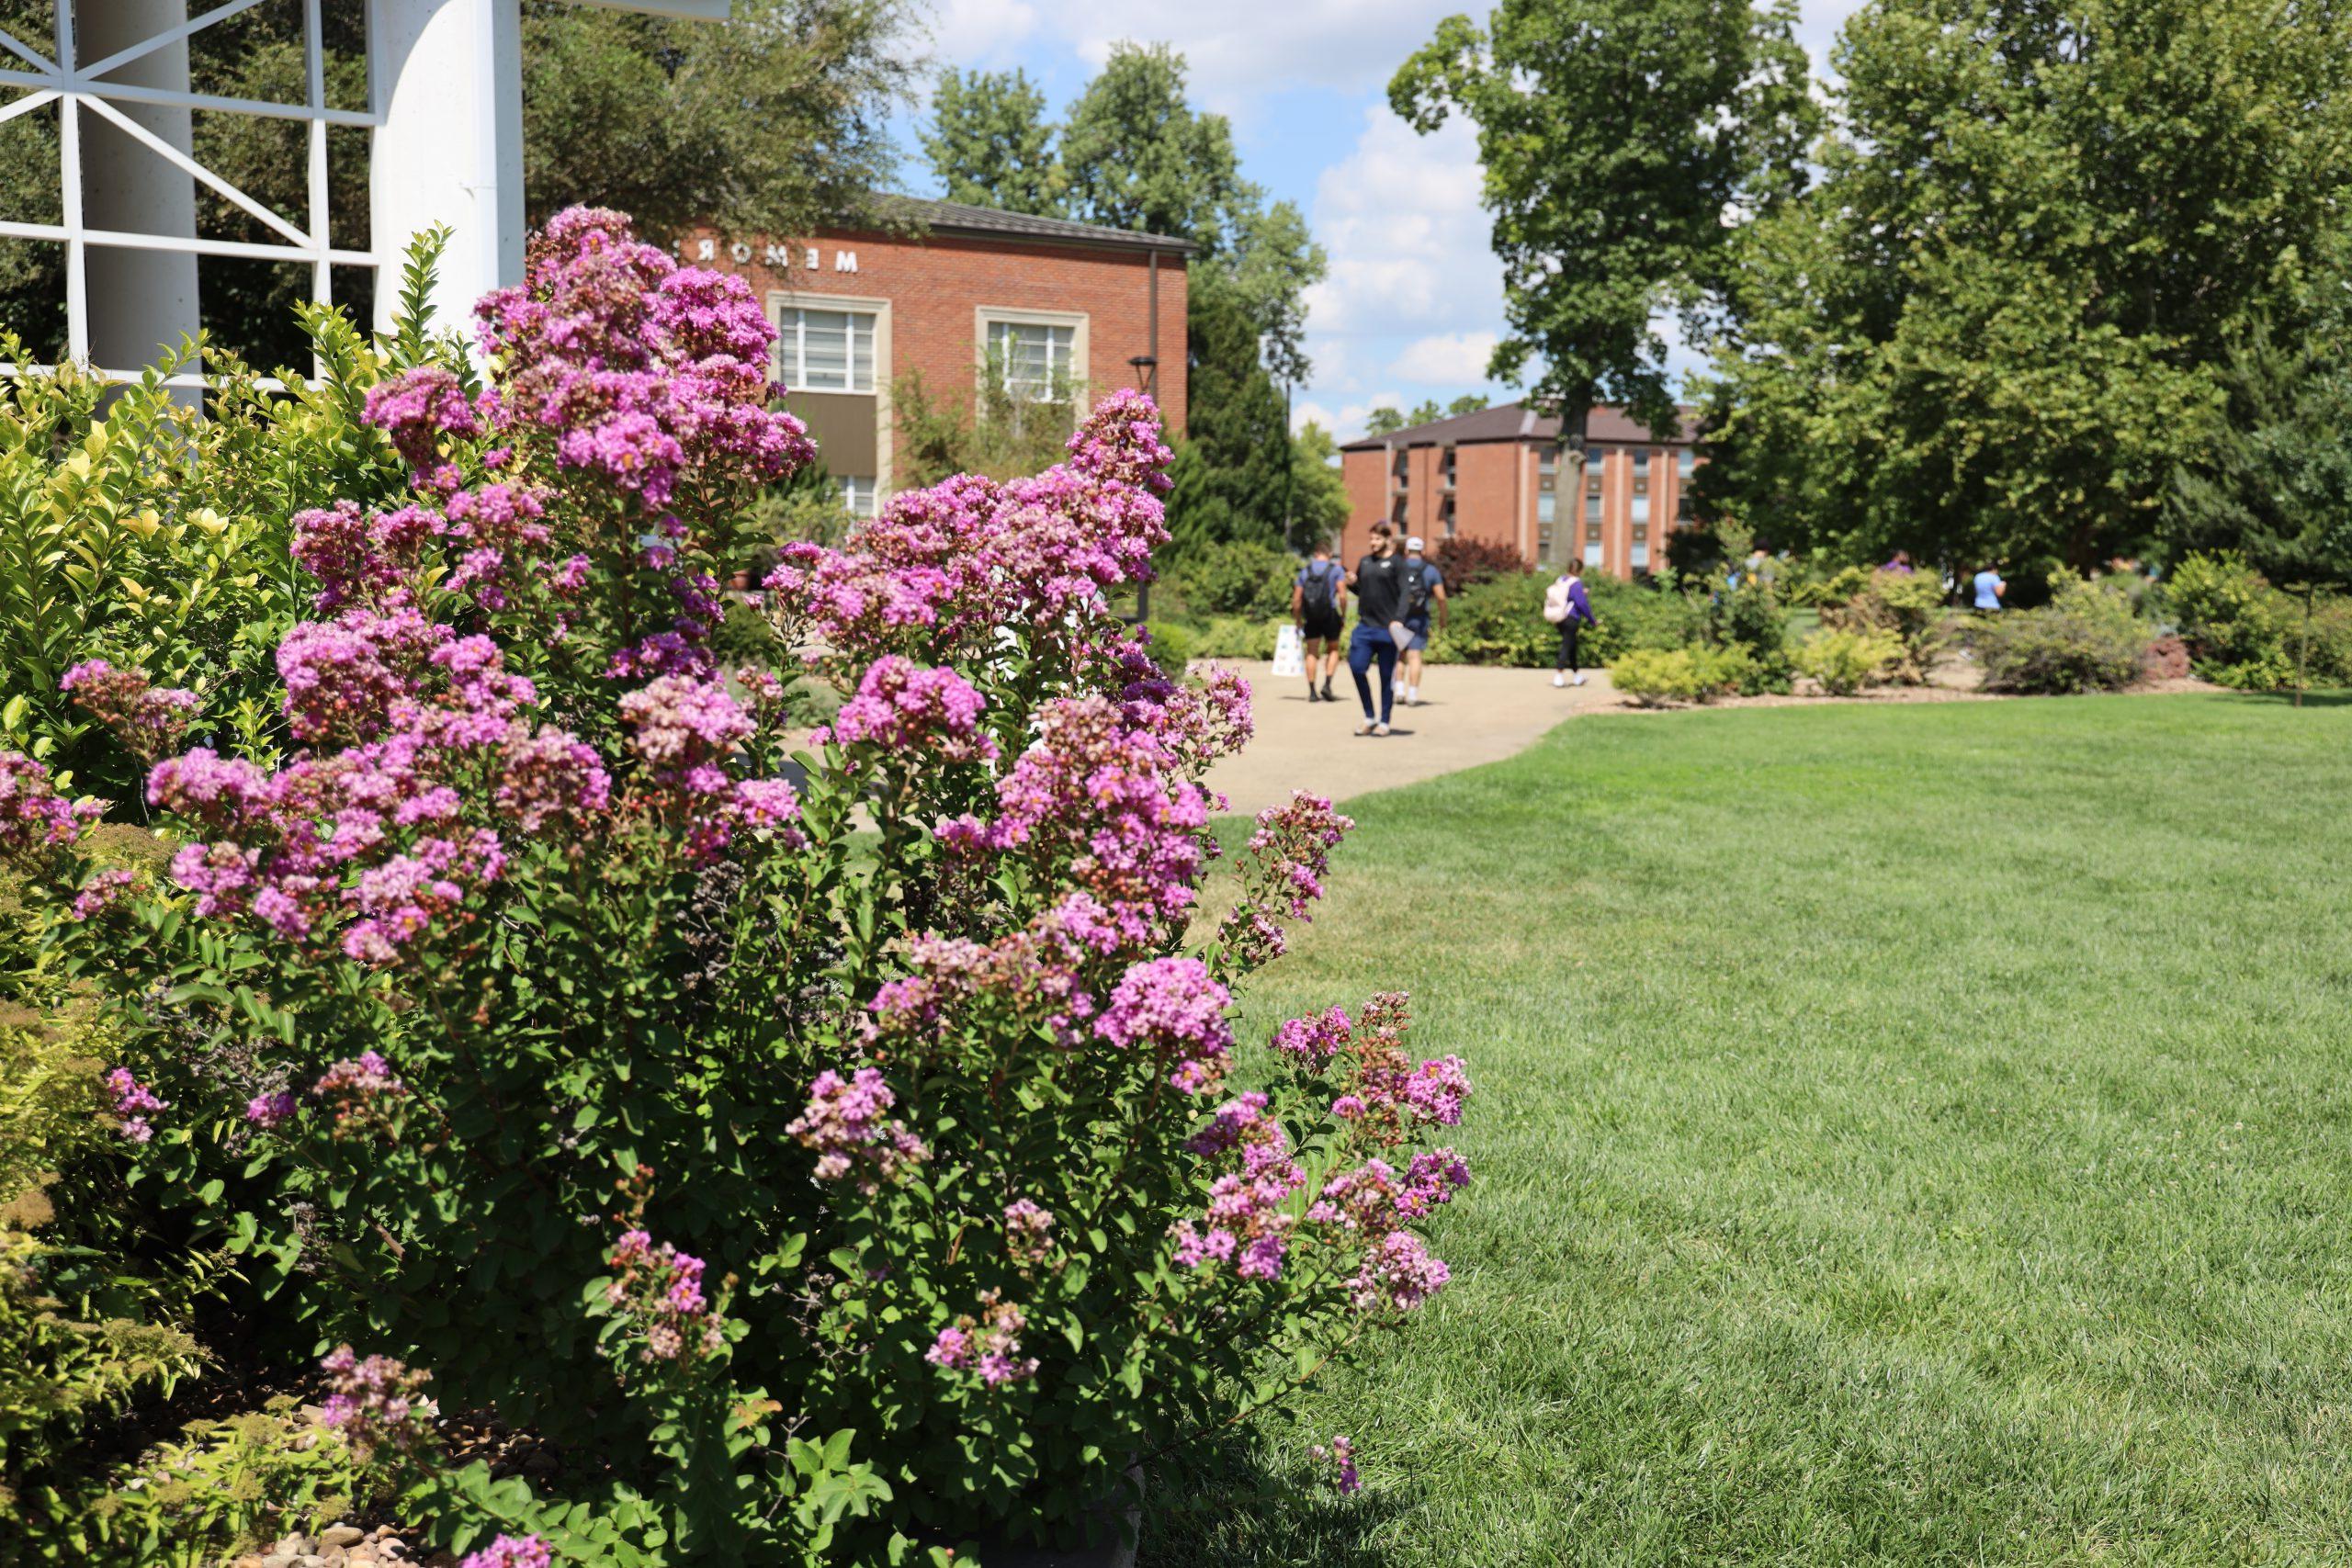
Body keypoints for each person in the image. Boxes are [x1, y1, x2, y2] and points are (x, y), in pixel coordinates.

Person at [1343, 521, 1409, 736]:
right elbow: (1362, 591)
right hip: (1365, 627)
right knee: (1357, 667)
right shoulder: (1365, 562)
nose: (1373, 543)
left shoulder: (1398, 563)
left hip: (1388, 629)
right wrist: (1353, 583)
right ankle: (1369, 716)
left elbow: (1405, 594)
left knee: (1385, 675)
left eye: (1377, 539)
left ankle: (1384, 721)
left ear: (1388, 540)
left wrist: (1399, 619)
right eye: (1371, 539)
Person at [1291, 540, 1347, 702]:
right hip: (1329, 614)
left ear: (1315, 554)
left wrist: (1298, 619)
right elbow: (1343, 595)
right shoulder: (1336, 569)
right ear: (1329, 554)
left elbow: (1296, 599)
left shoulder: (1305, 571)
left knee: (1311, 652)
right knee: (1333, 649)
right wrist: (1342, 615)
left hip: (1311, 616)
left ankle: (1312, 692)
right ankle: (1327, 684)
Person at [1397, 536, 1447, 706]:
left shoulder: (1398, 567)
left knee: (1400, 654)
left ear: (1406, 550)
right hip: (1419, 617)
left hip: (1399, 617)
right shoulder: (1430, 570)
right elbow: (1441, 597)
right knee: (1415, 655)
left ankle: (1398, 690)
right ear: (1423, 551)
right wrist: (1442, 617)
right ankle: (1412, 694)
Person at [1543, 563, 1596, 686]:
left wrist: (1580, 593)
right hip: (1571, 617)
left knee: (1572, 645)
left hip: (1559, 617)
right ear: (1580, 570)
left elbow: (1567, 596)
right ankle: (1559, 675)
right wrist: (1592, 620)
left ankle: (1577, 676)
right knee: (1567, 646)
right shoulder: (1576, 583)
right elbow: (1581, 604)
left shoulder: (1561, 580)